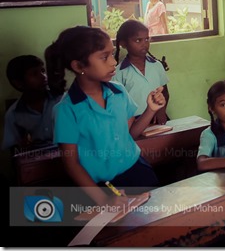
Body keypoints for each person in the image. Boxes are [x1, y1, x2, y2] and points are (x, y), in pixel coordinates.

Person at [49, 26, 166, 206]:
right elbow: (71, 164)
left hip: (137, 171)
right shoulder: (67, 109)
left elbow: (130, 135)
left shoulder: (118, 92)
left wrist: (151, 110)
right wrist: (104, 200)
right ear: (79, 66)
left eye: (112, 54)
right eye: (105, 57)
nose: (113, 62)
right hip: (99, 188)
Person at [113, 19, 170, 123]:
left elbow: (165, 92)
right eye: (138, 40)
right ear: (123, 44)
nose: (144, 44)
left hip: (156, 118)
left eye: (147, 39)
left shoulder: (157, 66)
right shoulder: (118, 73)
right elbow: (118, 104)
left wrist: (161, 111)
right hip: (132, 123)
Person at [2, 55, 61, 151]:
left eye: (43, 71)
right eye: (34, 74)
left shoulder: (61, 100)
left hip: (68, 154)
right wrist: (21, 145)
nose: (43, 77)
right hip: (37, 160)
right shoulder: (14, 114)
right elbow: (14, 149)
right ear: (18, 83)